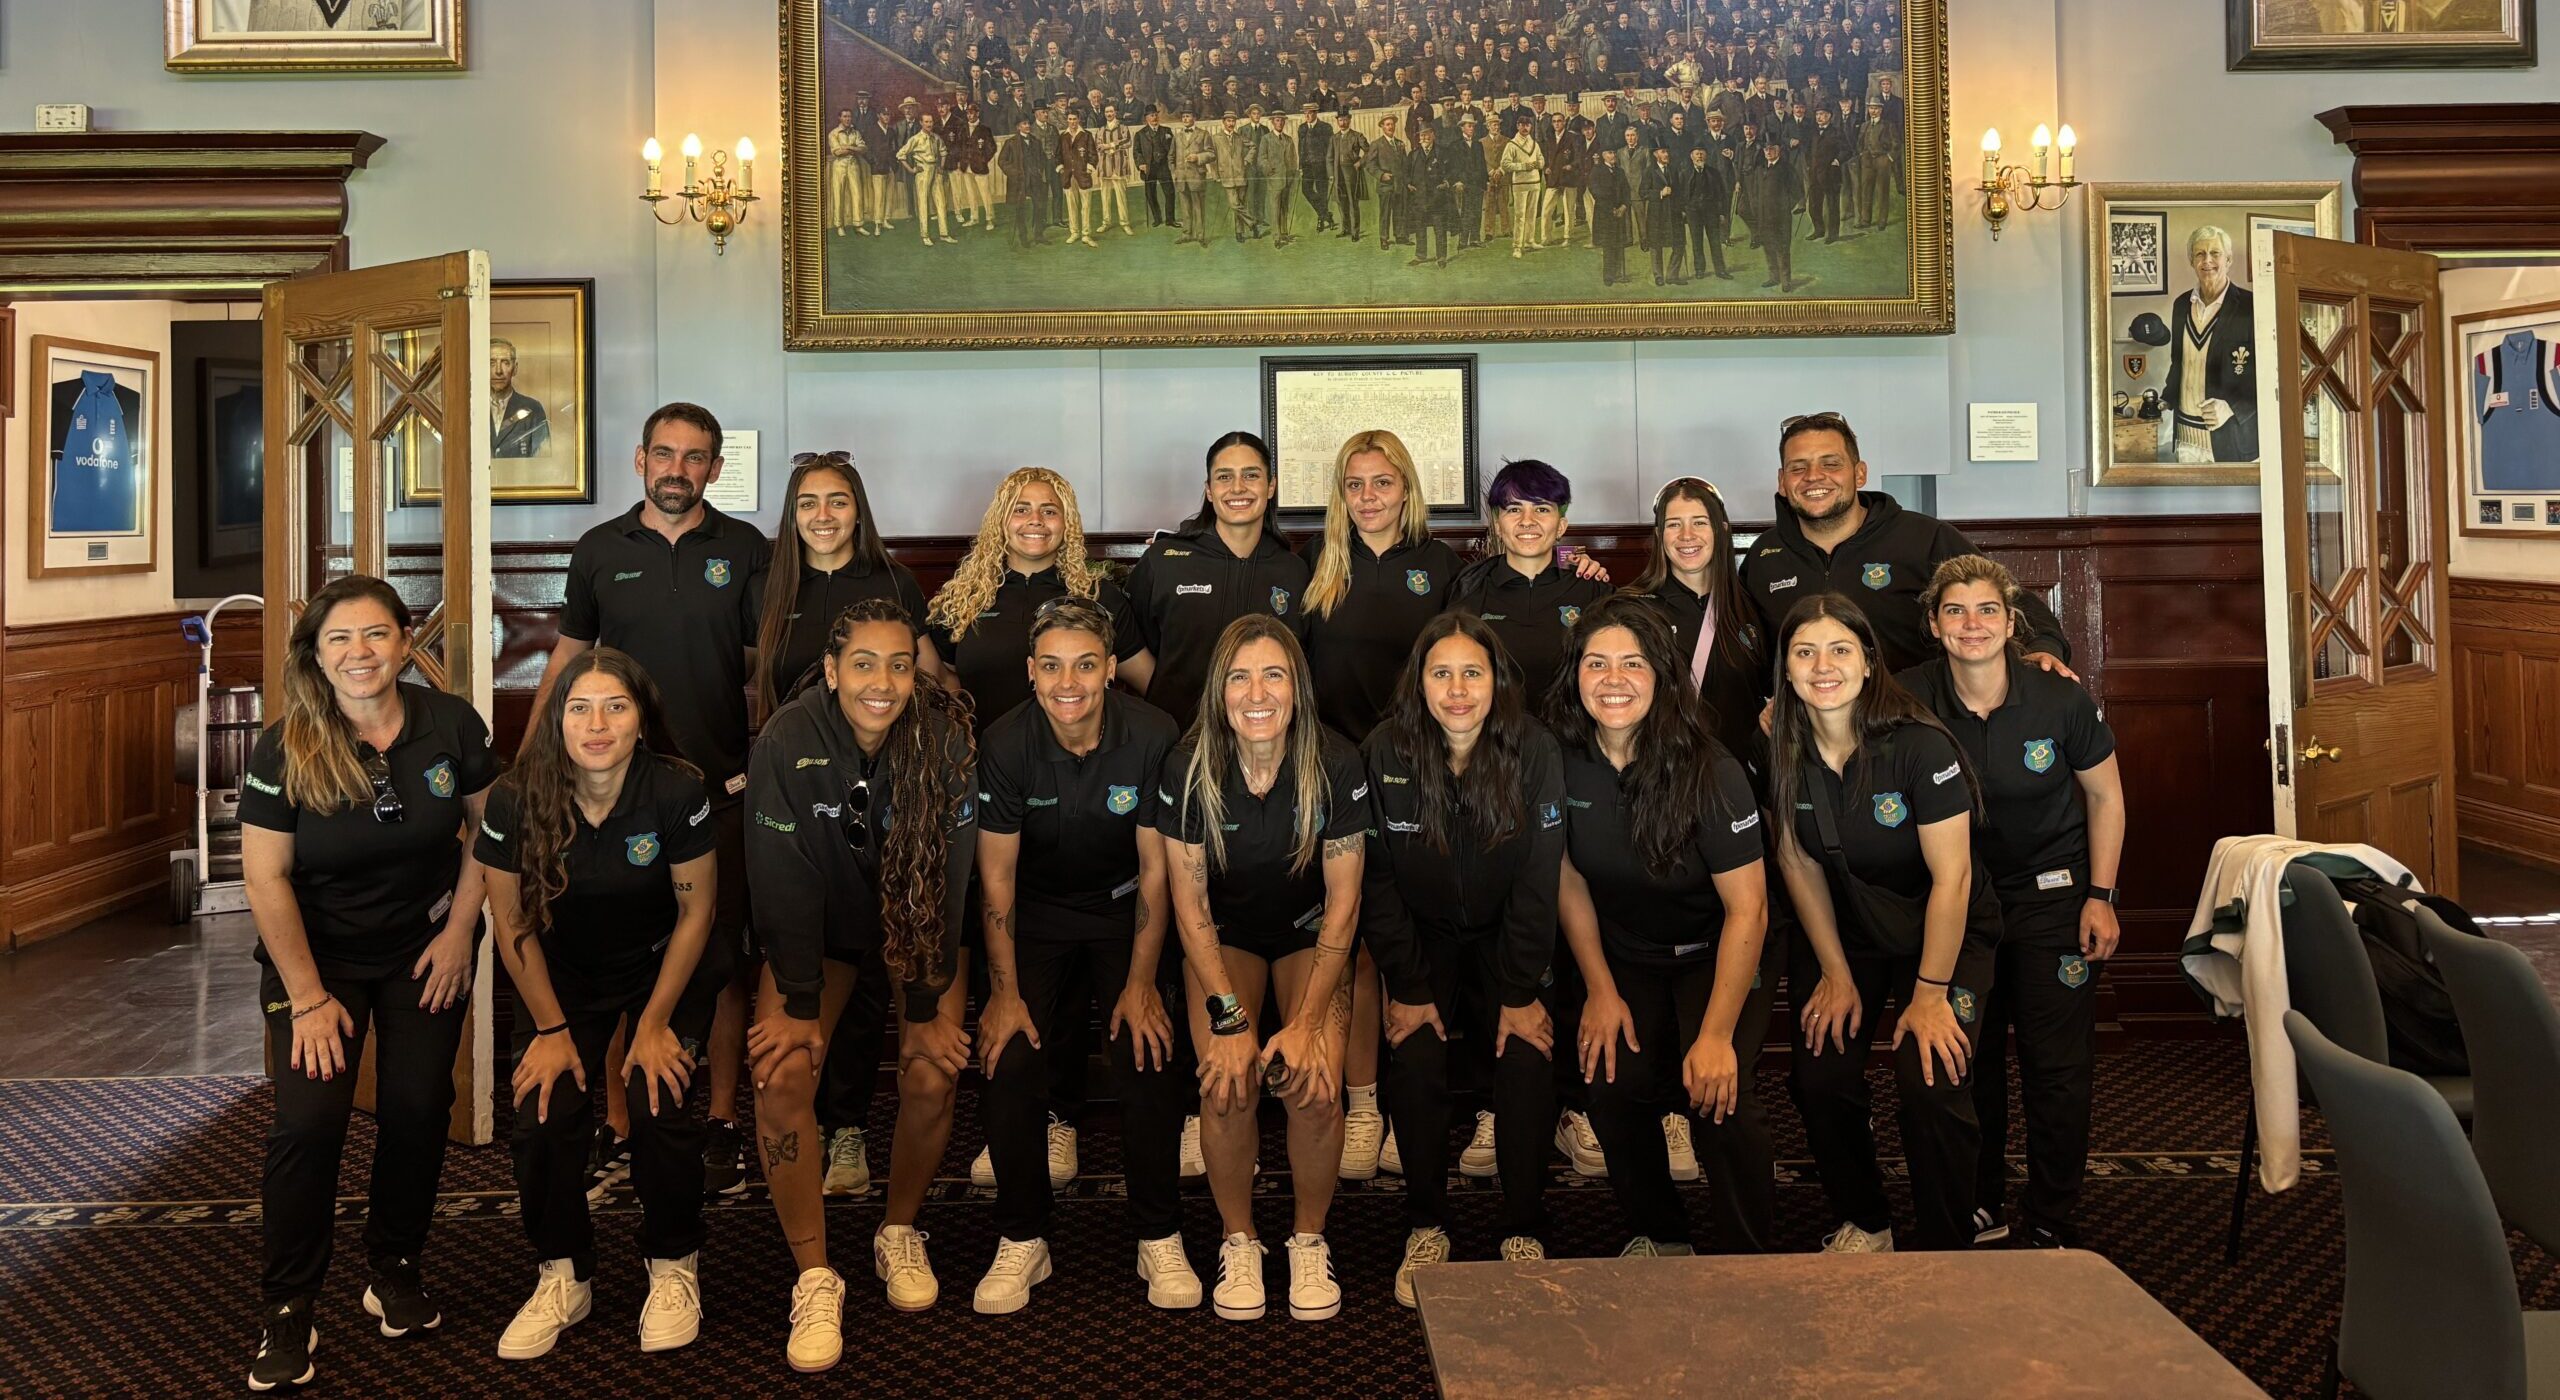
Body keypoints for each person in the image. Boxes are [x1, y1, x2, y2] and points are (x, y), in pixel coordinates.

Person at [238, 574, 496, 1392]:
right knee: (310, 1123)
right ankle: (288, 1307)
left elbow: (489, 833)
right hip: (316, 961)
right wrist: (309, 1000)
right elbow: (265, 879)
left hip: (426, 948)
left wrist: (459, 934)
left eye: (376, 633)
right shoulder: (284, 746)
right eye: (340, 639)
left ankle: (395, 1266)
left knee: (419, 1108)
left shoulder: (451, 723)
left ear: (406, 641)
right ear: (317, 656)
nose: (360, 652)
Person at [540, 403, 768, 1196]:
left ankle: (722, 1119)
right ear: (640, 460)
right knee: (619, 960)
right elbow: (569, 661)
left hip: (720, 791)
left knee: (723, 962)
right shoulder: (600, 550)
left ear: (714, 468)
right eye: (664, 454)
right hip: (616, 793)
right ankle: (619, 1116)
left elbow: (765, 662)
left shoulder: (744, 548)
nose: (678, 469)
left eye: (695, 457)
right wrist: (529, 762)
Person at [745, 599, 976, 1369]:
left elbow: (951, 879)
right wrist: (799, 1001)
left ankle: (899, 1230)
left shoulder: (944, 737)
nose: (882, 682)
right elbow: (780, 878)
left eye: (899, 665)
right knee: (781, 1073)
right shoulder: (787, 738)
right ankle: (815, 1275)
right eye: (865, 664)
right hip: (825, 931)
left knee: (932, 1067)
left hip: (919, 927)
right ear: (833, 670)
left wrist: (925, 1005)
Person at [481, 649, 721, 1360]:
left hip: (661, 968)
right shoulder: (514, 798)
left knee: (658, 1100)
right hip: (560, 976)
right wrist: (550, 1029)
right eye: (579, 708)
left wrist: (654, 1023)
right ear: (556, 722)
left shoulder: (677, 790)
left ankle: (673, 1263)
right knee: (543, 1111)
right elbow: (512, 922)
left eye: (616, 707)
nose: (597, 724)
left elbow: (697, 914)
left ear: (641, 720)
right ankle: (564, 1272)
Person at [971, 597, 1197, 1313]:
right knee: (1008, 1056)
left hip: (1124, 908)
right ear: (1031, 672)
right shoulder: (1004, 743)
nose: (1068, 683)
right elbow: (997, 880)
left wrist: (1141, 983)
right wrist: (1003, 994)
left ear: (1110, 670)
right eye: (1052, 667)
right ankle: (1023, 1236)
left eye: (1085, 665)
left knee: (1147, 1048)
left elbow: (1157, 872)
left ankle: (1158, 1233)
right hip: (1034, 911)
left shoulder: (1154, 734)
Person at [1898, 556, 2124, 1250]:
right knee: (1970, 1060)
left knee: (2057, 1070)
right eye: (1956, 611)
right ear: (1934, 624)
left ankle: (2053, 1213)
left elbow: (2105, 797)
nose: (1972, 624)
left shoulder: (2059, 698)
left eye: (1987, 610)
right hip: (1958, 909)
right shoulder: (1905, 697)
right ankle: (1980, 1201)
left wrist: (2101, 896)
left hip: (2053, 901)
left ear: (2010, 622)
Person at [1769, 593, 2001, 1254]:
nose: (1823, 666)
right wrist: (1834, 972)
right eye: (1805, 652)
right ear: (1786, 669)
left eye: (1840, 649)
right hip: (1849, 935)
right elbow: (1796, 861)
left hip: (1943, 928)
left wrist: (1929, 995)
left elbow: (1953, 879)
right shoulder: (1781, 748)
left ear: (1869, 662)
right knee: (1820, 1076)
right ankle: (1867, 1221)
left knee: (1932, 1076)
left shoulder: (1920, 746)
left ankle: (1946, 1245)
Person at [1157, 615, 1370, 1322]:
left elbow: (1343, 907)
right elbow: (1189, 907)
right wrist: (1228, 1020)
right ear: (1219, 692)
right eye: (1240, 677)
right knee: (1226, 1083)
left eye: (1273, 675)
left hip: (1311, 933)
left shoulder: (1336, 762)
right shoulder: (1188, 767)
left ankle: (1308, 1239)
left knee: (1315, 1085)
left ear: (1297, 688)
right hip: (1226, 938)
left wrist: (1306, 1026)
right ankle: (1239, 1239)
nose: (1257, 694)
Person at [1551, 598, 1777, 1257]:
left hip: (1719, 949)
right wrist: (1600, 989)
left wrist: (1715, 1035)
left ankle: (1747, 1259)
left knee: (1719, 1094)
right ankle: (1661, 1235)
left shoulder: (1713, 770)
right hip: (1626, 952)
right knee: (1611, 1082)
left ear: (1662, 675)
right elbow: (1569, 878)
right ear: (1575, 675)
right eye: (1596, 663)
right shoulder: (1561, 760)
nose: (1613, 679)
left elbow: (1749, 910)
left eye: (1633, 663)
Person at [1366, 612, 1565, 1302]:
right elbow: (1377, 880)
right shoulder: (1385, 751)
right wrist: (1407, 982)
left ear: (1496, 680)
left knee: (1528, 1056)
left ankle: (1524, 1227)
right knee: (1416, 1058)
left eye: (1472, 673)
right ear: (1418, 682)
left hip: (1508, 938)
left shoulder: (1534, 749)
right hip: (1422, 943)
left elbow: (1540, 878)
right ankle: (1426, 1224)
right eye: (1441, 673)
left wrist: (1520, 989)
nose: (1457, 690)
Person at [1740, 412, 2072, 675]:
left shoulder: (1925, 539)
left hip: (1912, 727)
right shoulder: (1764, 557)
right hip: (1805, 731)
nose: (1813, 476)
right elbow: (1747, 651)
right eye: (1798, 467)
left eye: (1831, 463)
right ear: (1782, 481)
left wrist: (2044, 648)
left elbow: (2011, 600)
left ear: (1859, 474)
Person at [1120, 431, 1309, 731]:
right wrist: (1161, 694)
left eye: (1251, 475)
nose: (1238, 487)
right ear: (1209, 490)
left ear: (1271, 486)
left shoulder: (1295, 571)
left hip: (1265, 738)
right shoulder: (1164, 560)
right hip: (1179, 739)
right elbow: (1126, 636)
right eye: (1224, 477)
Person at [1622, 478, 1769, 775]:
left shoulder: (1752, 605)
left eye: (1699, 522)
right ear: (1659, 534)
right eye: (1674, 524)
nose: (1686, 535)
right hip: (1664, 777)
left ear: (1721, 530)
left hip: (1741, 780)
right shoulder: (1631, 609)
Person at [1446, 459, 1612, 701]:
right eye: (1514, 509)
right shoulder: (1469, 588)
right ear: (1498, 526)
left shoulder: (1594, 591)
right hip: (1493, 725)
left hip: (1571, 725)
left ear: (1561, 526)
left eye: (1541, 509)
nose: (1527, 521)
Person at [2162, 225, 2259, 464]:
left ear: (2229, 260)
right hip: (2186, 438)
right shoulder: (2181, 305)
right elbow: (2179, 362)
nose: (2207, 260)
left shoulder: (2251, 306)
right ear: (2192, 261)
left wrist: (2232, 407)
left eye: (2215, 253)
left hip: (2232, 439)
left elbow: (2272, 375)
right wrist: (2166, 399)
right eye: (2200, 254)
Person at [1738, 136, 1799, 291]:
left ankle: (1786, 281)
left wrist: (1785, 207)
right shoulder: (1760, 169)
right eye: (1766, 149)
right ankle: (1774, 277)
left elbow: (1797, 192)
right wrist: (1756, 209)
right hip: (1763, 217)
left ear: (1778, 151)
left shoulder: (1786, 168)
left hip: (1780, 218)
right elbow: (1755, 191)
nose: (1768, 152)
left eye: (1772, 149)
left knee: (1782, 248)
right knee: (1768, 247)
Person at [899, 111, 957, 245]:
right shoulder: (915, 139)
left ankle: (944, 234)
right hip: (922, 172)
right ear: (921, 123)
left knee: (941, 202)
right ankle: (925, 235)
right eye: (926, 122)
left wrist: (941, 167)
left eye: (931, 122)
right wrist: (912, 170)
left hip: (935, 170)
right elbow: (900, 155)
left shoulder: (936, 138)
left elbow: (943, 152)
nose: (929, 124)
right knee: (923, 203)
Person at [489, 339, 552, 459]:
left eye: (505, 363)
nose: (498, 371)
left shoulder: (533, 409)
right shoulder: (471, 409)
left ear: (515, 368)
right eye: (491, 363)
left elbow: (542, 460)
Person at [1682, 144, 1733, 279]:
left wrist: (1722, 213)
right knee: (1696, 242)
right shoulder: (1685, 173)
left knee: (1715, 242)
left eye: (1702, 153)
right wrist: (1684, 210)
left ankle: (1720, 270)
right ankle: (1700, 270)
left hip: (1711, 212)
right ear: (1691, 156)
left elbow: (1722, 194)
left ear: (1706, 156)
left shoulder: (1714, 173)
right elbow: (1681, 194)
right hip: (1693, 212)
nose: (1699, 156)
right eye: (1697, 153)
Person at [1640, 143, 1686, 286]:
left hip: (1674, 213)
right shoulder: (1649, 171)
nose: (1666, 154)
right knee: (1656, 246)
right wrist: (1660, 193)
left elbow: (1679, 190)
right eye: (1663, 152)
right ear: (1655, 154)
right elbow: (1642, 192)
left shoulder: (1673, 169)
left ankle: (1672, 275)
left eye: (1667, 151)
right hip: (1657, 214)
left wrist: (1682, 209)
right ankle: (1658, 276)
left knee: (1679, 244)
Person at [1499, 112, 1544, 257]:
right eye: (1522, 125)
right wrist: (1523, 166)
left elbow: (1541, 160)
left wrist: (1538, 164)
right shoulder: (1512, 144)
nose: (1525, 128)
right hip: (1520, 183)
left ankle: (1530, 241)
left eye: (1527, 125)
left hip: (1535, 183)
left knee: (1532, 214)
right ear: (1518, 126)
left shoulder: (1534, 144)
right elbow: (1505, 164)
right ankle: (1517, 246)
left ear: (1531, 127)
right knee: (1520, 215)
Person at [1590, 146, 1632, 286]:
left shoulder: (1620, 172)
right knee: (1608, 246)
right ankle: (1608, 276)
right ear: (1603, 155)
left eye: (1614, 152)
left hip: (1619, 214)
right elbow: (1595, 191)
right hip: (1605, 215)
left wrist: (1623, 207)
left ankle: (1618, 273)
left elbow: (1626, 191)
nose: (1613, 155)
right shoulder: (1597, 171)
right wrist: (1611, 209)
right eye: (1610, 153)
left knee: (1619, 243)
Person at [1058, 109, 1100, 247]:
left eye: (1074, 119)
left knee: (1086, 206)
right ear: (1067, 120)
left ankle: (1086, 234)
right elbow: (1058, 155)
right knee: (1071, 206)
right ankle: (1074, 232)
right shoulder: (1063, 136)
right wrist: (1061, 168)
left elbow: (1093, 155)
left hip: (1083, 176)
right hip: (1068, 176)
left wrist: (1088, 168)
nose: (1072, 122)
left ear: (1079, 120)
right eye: (1070, 119)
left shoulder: (1086, 135)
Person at [999, 115, 1042, 249]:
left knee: (1039, 207)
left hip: (1034, 180)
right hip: (1019, 182)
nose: (1027, 126)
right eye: (1024, 124)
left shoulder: (1035, 141)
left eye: (1028, 123)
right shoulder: (1011, 143)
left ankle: (1038, 235)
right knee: (1019, 210)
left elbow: (1040, 159)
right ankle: (1023, 238)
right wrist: (1015, 173)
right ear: (1018, 127)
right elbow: (1002, 161)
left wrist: (1038, 171)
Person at [1367, 113, 1409, 250]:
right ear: (1382, 127)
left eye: (1392, 124)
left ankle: (1400, 236)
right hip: (1385, 185)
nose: (1391, 127)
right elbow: (1370, 165)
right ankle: (1384, 238)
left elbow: (1405, 165)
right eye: (1387, 124)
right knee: (1385, 213)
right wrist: (1381, 175)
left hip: (1399, 184)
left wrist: (1407, 182)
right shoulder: (1376, 144)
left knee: (1399, 211)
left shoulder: (1400, 144)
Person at [1173, 110, 1215, 245]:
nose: (1185, 119)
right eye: (1183, 117)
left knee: (1198, 208)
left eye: (1188, 116)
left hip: (1197, 177)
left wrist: (1198, 157)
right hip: (1182, 178)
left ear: (1194, 118)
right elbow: (1171, 157)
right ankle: (1186, 234)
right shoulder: (1177, 136)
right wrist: (1175, 172)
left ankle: (1200, 236)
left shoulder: (1203, 134)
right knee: (1185, 208)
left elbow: (1211, 154)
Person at [828, 108, 871, 237]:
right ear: (839, 118)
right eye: (845, 116)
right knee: (838, 195)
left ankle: (858, 225)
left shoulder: (855, 132)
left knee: (857, 194)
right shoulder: (834, 133)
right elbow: (837, 152)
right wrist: (854, 149)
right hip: (839, 166)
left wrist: (848, 147)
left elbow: (864, 148)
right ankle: (839, 226)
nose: (847, 119)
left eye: (849, 117)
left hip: (853, 165)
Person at [1096, 105, 1137, 235]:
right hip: (1105, 167)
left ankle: (1125, 223)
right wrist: (1107, 147)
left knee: (1121, 197)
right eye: (1106, 112)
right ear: (1104, 114)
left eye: (1111, 111)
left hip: (1119, 167)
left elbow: (1128, 142)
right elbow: (1098, 146)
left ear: (1115, 113)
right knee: (1105, 197)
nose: (1109, 114)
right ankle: (1106, 222)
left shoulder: (1123, 128)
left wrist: (1111, 145)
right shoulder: (1101, 130)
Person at [1331, 108, 1370, 242]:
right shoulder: (1334, 138)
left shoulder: (1357, 136)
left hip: (1351, 173)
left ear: (1349, 120)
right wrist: (1331, 174)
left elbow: (1370, 151)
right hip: (1338, 174)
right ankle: (1345, 229)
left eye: (1345, 120)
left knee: (1353, 202)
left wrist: (1360, 162)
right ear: (1337, 121)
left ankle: (1355, 232)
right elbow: (1329, 158)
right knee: (1341, 201)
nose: (1343, 123)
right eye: (1340, 120)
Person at [1135, 106, 1176, 229]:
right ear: (1146, 118)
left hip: (1164, 167)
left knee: (1170, 193)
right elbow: (1137, 152)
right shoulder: (1140, 134)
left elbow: (1173, 149)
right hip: (1149, 168)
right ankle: (1157, 219)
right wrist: (1141, 163)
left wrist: (1172, 163)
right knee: (1150, 194)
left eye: (1156, 115)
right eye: (1151, 115)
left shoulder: (1167, 131)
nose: (1154, 117)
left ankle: (1170, 219)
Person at [1297, 102, 1334, 231]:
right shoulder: (1302, 128)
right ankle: (1326, 214)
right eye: (1305, 113)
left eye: (1310, 113)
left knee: (1322, 192)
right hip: (1307, 166)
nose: (1307, 116)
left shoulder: (1325, 127)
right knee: (1306, 190)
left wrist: (1329, 167)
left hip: (1321, 166)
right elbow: (1300, 148)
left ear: (1315, 113)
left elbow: (1330, 149)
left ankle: (1320, 220)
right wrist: (1300, 166)